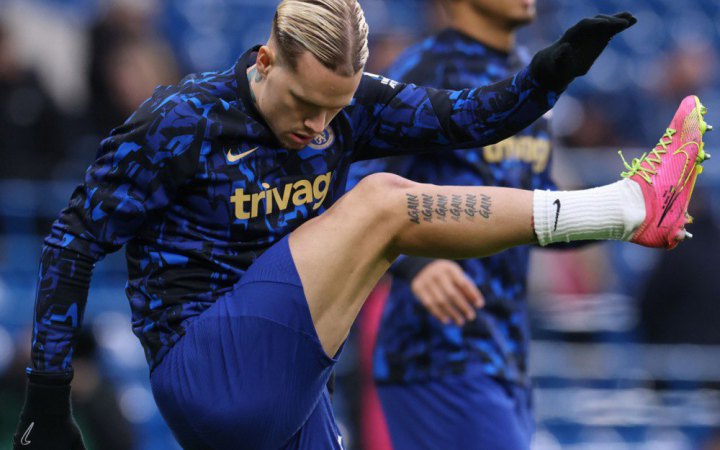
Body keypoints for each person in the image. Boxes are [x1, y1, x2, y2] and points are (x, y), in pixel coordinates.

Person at [10, 1, 704, 449]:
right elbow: (72, 242)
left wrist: (549, 76)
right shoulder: (180, 121)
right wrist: (47, 397)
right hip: (208, 372)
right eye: (304, 102)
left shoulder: (350, 109)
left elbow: (469, 118)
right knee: (381, 201)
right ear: (264, 60)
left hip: (293, 381)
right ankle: (624, 208)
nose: (318, 126)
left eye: (335, 108)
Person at [344, 0, 577, 447]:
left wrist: (626, 212)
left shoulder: (529, 73)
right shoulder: (425, 68)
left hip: (508, 352)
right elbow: (354, 183)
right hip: (437, 351)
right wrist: (414, 264)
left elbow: (538, 208)